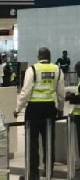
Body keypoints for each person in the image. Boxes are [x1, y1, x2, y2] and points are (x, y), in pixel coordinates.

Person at [14, 47, 65, 180]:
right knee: (49, 141)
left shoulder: (33, 70)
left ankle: (33, 174)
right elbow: (61, 93)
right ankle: (49, 170)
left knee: (32, 143)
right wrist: (60, 109)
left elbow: (26, 92)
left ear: (38, 56)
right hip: (49, 109)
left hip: (34, 110)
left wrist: (18, 109)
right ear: (50, 56)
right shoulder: (57, 69)